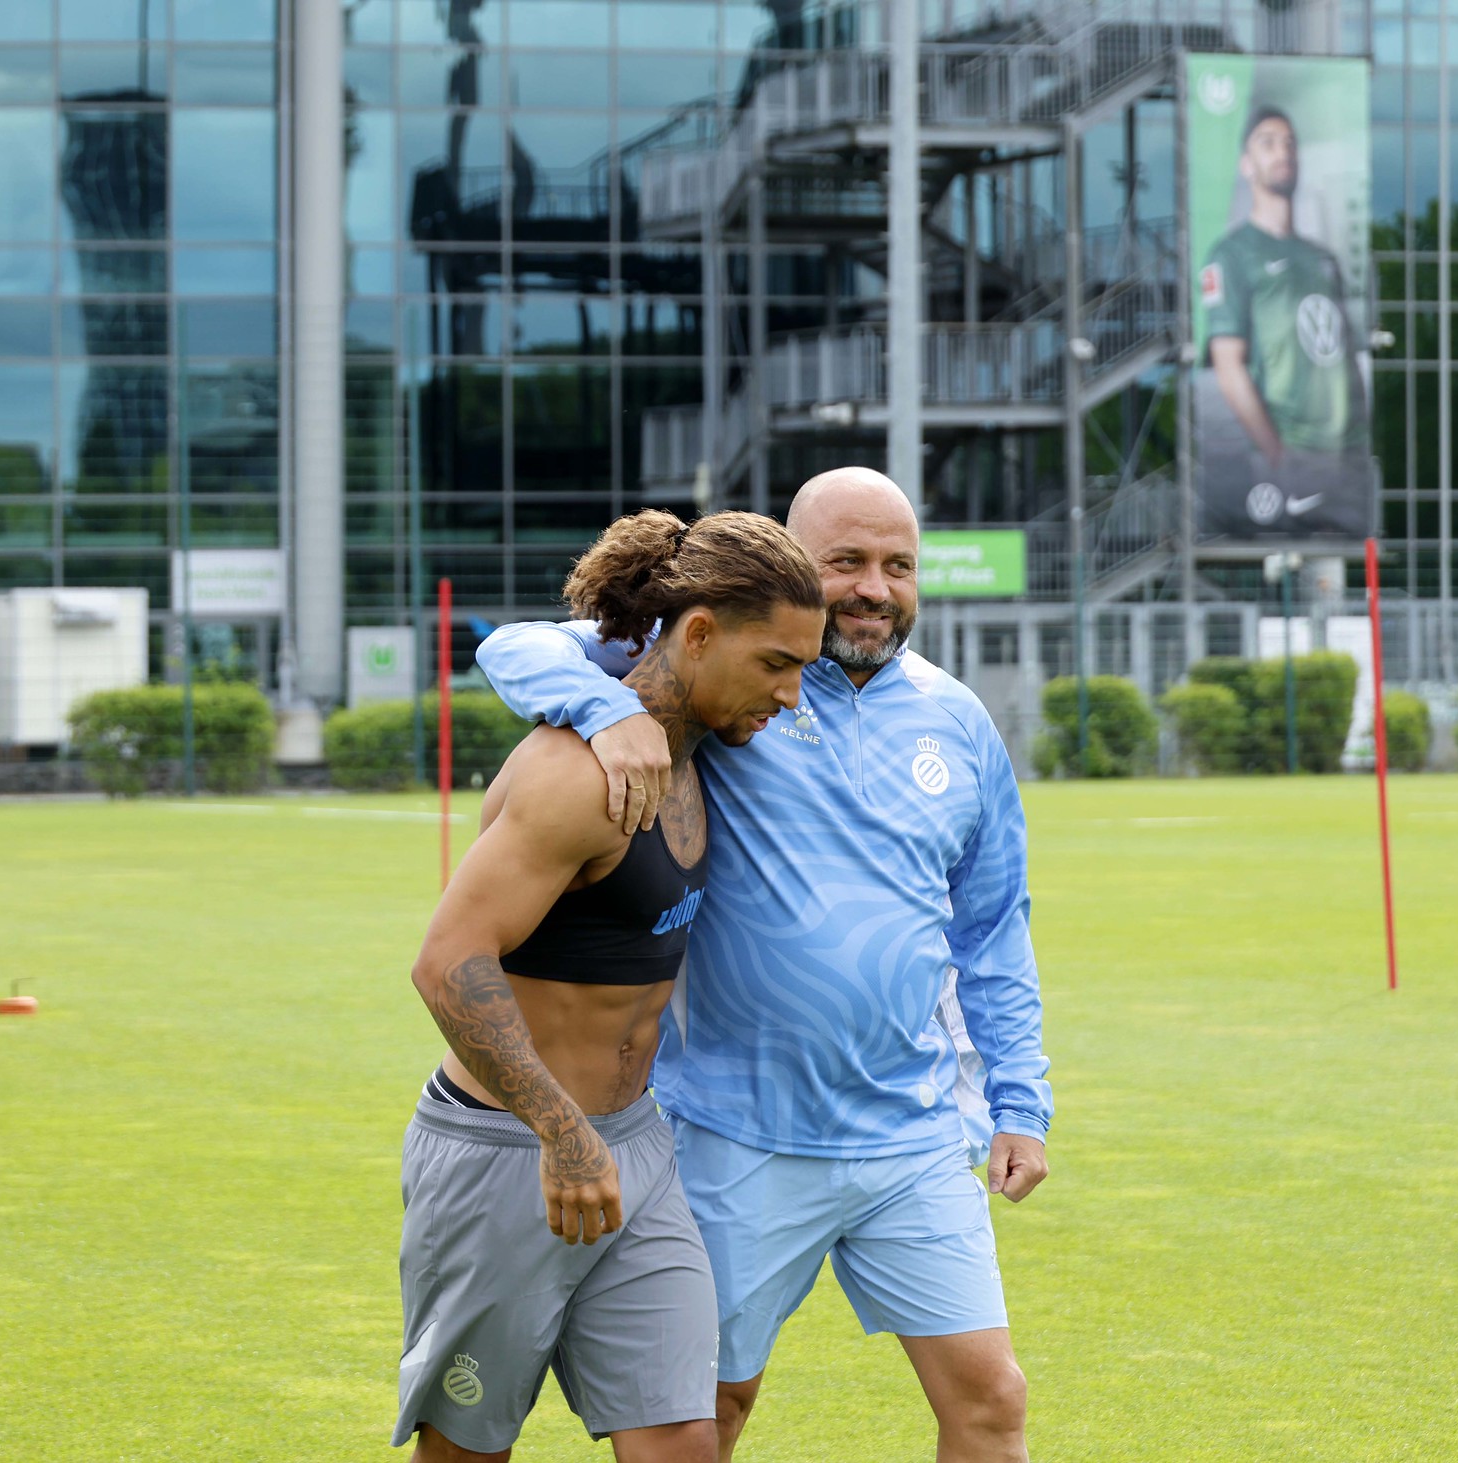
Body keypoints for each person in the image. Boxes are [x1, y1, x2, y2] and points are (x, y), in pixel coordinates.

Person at [476, 468, 1052, 1463]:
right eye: (846, 562)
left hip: (910, 1135)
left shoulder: (958, 721)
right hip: (736, 1134)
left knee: (991, 1402)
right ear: (793, 564)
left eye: (898, 565)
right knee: (710, 1406)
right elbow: (513, 643)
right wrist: (600, 709)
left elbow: (993, 927)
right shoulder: (736, 680)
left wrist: (1018, 1100)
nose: (875, 587)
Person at [395, 510, 825, 1463]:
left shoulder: (700, 745)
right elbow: (446, 961)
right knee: (467, 1451)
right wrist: (561, 1132)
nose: (795, 696)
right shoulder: (573, 776)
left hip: (637, 1148)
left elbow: (571, 641)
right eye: (777, 665)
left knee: (683, 1441)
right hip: (509, 1154)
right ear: (701, 635)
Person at [1199, 102, 1370, 535]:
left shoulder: (1321, 258)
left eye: (1290, 144)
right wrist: (1275, 451)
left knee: (1344, 568)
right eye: (1268, 143)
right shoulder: (1232, 254)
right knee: (1287, 561)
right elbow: (1227, 363)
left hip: (1345, 455)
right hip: (1292, 456)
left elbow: (1342, 353)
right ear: (1246, 165)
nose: (1283, 153)